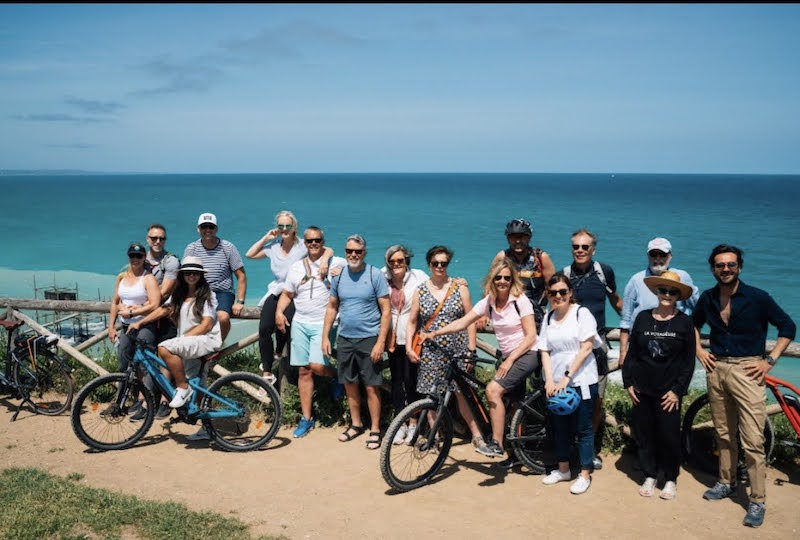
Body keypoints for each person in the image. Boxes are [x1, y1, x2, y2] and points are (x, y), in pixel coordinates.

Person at [693, 244, 796, 528]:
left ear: (739, 267)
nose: (725, 269)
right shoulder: (709, 297)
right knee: (724, 433)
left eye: (730, 265)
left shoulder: (758, 298)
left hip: (748, 369)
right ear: (713, 268)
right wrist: (699, 351)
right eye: (720, 265)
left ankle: (757, 500)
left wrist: (770, 360)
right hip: (717, 369)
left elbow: (787, 327)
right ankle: (726, 482)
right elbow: (694, 323)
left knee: (753, 439)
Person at [421, 259, 538, 467]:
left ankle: (497, 443)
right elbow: (463, 322)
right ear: (492, 279)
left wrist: (509, 361)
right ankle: (517, 455)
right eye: (498, 277)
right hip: (508, 355)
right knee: (512, 402)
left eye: (507, 278)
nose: (502, 281)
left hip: (527, 353)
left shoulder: (520, 300)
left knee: (493, 391)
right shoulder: (489, 302)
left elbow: (531, 337)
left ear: (513, 280)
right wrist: (435, 332)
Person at [406, 245, 492, 456]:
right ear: (429, 265)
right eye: (435, 263)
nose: (440, 267)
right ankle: (434, 437)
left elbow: (470, 319)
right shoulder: (420, 291)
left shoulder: (459, 287)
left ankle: (477, 436)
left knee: (463, 394)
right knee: (432, 397)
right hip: (432, 352)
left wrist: (472, 349)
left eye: (443, 263)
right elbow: (412, 321)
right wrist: (409, 347)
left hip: (458, 349)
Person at [622, 271, 696, 500]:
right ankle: (650, 475)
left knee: (669, 436)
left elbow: (688, 361)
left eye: (673, 291)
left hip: (668, 392)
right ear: (656, 291)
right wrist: (628, 383)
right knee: (644, 435)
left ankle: (671, 478)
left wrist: (677, 391)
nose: (667, 294)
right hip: (641, 389)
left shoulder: (684, 323)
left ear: (678, 296)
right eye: (663, 289)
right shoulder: (643, 318)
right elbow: (632, 354)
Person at [246, 210, 333, 386]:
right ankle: (268, 372)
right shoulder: (273, 247)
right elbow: (250, 254)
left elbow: (328, 249)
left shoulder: (302, 245)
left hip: (295, 292)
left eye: (288, 225)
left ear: (294, 227)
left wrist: (324, 261)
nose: (284, 229)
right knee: (264, 329)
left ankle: (279, 352)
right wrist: (266, 237)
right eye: (281, 226)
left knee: (285, 323)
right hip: (277, 290)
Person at [128, 256, 222, 415]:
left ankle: (182, 388)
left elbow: (206, 325)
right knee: (197, 385)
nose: (191, 276)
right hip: (190, 343)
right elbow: (163, 310)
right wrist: (140, 322)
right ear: (182, 275)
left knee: (163, 347)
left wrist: (182, 339)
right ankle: (207, 428)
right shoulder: (180, 294)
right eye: (187, 273)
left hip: (204, 340)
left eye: (195, 273)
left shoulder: (207, 295)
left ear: (201, 276)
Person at [322, 234, 391, 450]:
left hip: (369, 338)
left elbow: (386, 311)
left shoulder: (375, 275)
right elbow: (332, 307)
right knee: (349, 384)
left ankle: (376, 429)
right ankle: (356, 424)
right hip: (344, 339)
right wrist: (325, 336)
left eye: (358, 251)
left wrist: (380, 342)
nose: (354, 255)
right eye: (350, 251)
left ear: (365, 253)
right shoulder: (339, 276)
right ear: (345, 252)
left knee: (372, 386)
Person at [275, 227, 345, 438]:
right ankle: (306, 419)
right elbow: (288, 293)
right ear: (304, 243)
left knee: (317, 365)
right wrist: (279, 312)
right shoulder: (296, 267)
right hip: (300, 322)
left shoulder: (337, 263)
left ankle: (338, 376)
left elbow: (354, 275)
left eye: (318, 240)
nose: (314, 243)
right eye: (309, 241)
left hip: (324, 323)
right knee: (304, 371)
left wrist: (328, 262)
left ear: (323, 241)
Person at [563, 228, 623, 470]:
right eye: (576, 246)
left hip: (597, 344)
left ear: (593, 250)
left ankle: (590, 447)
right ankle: (569, 447)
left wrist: (635, 325)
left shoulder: (604, 272)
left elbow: (615, 300)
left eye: (584, 247)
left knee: (595, 397)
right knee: (569, 396)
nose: (580, 250)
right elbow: (553, 305)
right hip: (570, 345)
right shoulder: (564, 275)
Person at [537, 273, 602, 495]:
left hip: (581, 379)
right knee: (560, 427)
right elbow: (544, 349)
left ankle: (585, 473)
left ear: (570, 292)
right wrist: (549, 379)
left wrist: (566, 377)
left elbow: (586, 348)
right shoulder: (548, 317)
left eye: (563, 291)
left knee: (583, 428)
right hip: (556, 381)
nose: (558, 296)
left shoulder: (581, 314)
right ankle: (563, 469)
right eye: (553, 292)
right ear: (548, 294)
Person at [619, 237, 699, 365]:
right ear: (648, 256)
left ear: (670, 256)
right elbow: (626, 320)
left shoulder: (682, 277)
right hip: (641, 348)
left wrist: (696, 345)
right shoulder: (636, 280)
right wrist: (623, 353)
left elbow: (698, 309)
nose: (657, 258)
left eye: (662, 254)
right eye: (653, 254)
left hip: (675, 349)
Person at [108, 242, 161, 421]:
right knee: (124, 364)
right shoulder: (121, 277)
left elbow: (155, 304)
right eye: (132, 256)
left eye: (139, 256)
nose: (135, 259)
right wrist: (110, 327)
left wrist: (133, 312)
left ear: (144, 257)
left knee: (146, 365)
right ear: (128, 257)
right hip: (125, 327)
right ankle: (120, 402)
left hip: (144, 325)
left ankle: (147, 405)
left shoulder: (148, 278)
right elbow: (115, 302)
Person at [381, 244, 429, 445]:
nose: (396, 264)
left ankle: (414, 424)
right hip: (392, 338)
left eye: (400, 260)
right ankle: (400, 425)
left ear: (406, 260)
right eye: (392, 261)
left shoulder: (418, 277)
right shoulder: (382, 277)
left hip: (413, 338)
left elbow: (438, 285)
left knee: (412, 383)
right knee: (396, 382)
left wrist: (459, 283)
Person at [183, 212, 246, 343]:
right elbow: (186, 275)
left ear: (216, 229)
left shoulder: (227, 248)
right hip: (200, 291)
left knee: (222, 317)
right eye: (204, 226)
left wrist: (240, 301)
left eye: (211, 227)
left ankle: (218, 345)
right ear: (198, 229)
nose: (207, 230)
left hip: (223, 292)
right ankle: (196, 347)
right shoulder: (192, 248)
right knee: (191, 319)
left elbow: (241, 276)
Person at [490, 218, 556, 332]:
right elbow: (490, 287)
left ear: (529, 237)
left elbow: (554, 289)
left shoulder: (540, 257)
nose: (517, 241)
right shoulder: (502, 257)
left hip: (537, 316)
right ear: (507, 238)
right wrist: (484, 314)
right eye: (513, 237)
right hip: (509, 314)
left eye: (522, 237)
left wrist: (555, 316)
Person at [144, 223, 181, 420]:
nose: (157, 241)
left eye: (161, 238)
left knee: (165, 356)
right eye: (154, 238)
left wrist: (139, 305)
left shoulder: (171, 261)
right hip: (146, 315)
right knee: (145, 356)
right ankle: (145, 399)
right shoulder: (140, 259)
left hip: (167, 315)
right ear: (147, 239)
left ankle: (165, 400)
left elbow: (165, 292)